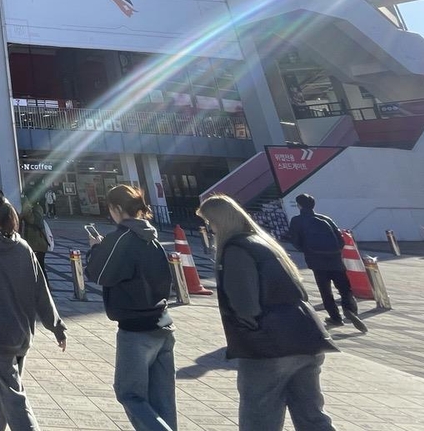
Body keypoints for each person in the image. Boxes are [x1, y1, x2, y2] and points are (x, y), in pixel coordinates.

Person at [198, 194, 338, 431]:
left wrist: (247, 330)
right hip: (306, 337)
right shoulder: (264, 242)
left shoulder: (236, 249)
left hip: (269, 345)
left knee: (260, 419)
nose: (209, 229)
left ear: (219, 222)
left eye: (209, 223)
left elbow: (245, 304)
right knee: (312, 417)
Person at [0, 191, 67, 431]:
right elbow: (41, 290)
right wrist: (57, 326)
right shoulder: (24, 247)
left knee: (12, 390)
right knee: (4, 381)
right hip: (23, 330)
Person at [85, 184, 177, 431]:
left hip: (136, 329)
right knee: (163, 400)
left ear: (116, 209)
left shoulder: (122, 237)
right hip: (163, 322)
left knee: (130, 394)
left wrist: (95, 248)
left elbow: (98, 273)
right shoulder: (152, 237)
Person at [288, 193, 367, 333]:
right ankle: (350, 311)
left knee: (325, 290)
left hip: (316, 261)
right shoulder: (326, 219)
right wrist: (335, 251)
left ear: (299, 205)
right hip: (335, 259)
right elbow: (340, 239)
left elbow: (296, 241)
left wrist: (308, 250)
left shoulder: (297, 221)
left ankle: (335, 317)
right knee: (344, 288)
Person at [21, 197, 53, 280]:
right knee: (35, 268)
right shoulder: (32, 208)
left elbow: (31, 219)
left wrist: (25, 203)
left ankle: (45, 288)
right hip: (33, 244)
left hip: (38, 244)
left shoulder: (37, 208)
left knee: (40, 268)